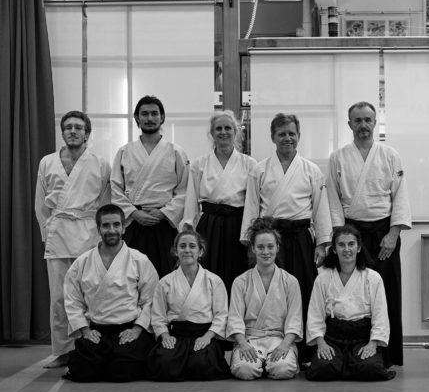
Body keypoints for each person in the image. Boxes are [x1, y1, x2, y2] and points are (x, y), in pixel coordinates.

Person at [241, 114, 331, 362]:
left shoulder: (311, 170)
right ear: (273, 137)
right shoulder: (259, 169)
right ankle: (270, 344)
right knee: (272, 291)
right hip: (270, 239)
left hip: (301, 237)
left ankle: (306, 351)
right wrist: (250, 242)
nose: (287, 138)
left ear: (298, 136)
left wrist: (322, 243)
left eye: (292, 133)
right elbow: (252, 207)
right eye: (282, 134)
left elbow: (320, 209)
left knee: (304, 290)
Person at [327, 101, 412, 367]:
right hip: (351, 233)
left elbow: (400, 196)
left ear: (375, 123)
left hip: (383, 232)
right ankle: (353, 348)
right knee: (354, 292)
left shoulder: (390, 155)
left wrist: (394, 233)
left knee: (387, 291)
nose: (363, 125)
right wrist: (340, 238)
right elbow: (333, 199)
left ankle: (386, 352)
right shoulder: (338, 157)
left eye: (367, 120)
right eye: (358, 120)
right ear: (349, 124)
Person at [34, 110, 111, 368]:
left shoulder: (101, 164)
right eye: (68, 127)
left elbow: (105, 204)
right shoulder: (47, 162)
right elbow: (40, 204)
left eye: (78, 127)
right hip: (58, 233)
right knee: (59, 298)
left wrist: (103, 236)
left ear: (87, 133)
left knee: (90, 295)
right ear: (62, 132)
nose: (73, 131)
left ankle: (90, 348)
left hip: (88, 234)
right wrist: (47, 233)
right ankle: (63, 351)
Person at [63, 204, 158, 382]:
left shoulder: (139, 260)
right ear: (98, 228)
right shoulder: (82, 262)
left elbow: (150, 300)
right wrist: (85, 330)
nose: (112, 230)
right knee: (83, 372)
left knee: (122, 372)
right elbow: (72, 301)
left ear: (124, 227)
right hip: (97, 331)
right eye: (106, 225)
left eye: (116, 224)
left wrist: (137, 330)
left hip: (128, 329)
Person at [111, 95, 189, 277]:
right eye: (144, 114)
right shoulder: (124, 151)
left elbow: (184, 189)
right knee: (132, 274)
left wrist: (164, 212)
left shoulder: (176, 152)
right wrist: (134, 213)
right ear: (137, 118)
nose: (149, 118)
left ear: (162, 117)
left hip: (164, 223)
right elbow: (115, 189)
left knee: (166, 274)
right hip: (134, 223)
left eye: (154, 113)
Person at [305, 225, 395, 381]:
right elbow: (315, 314)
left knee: (370, 368)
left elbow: (380, 314)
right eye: (341, 245)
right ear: (334, 249)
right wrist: (321, 343)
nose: (346, 249)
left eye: (351, 244)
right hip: (333, 336)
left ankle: (345, 365)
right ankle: (345, 364)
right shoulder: (323, 278)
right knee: (322, 369)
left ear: (358, 248)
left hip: (362, 337)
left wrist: (373, 343)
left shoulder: (373, 278)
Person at [183, 111, 254, 292]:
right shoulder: (199, 164)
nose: (223, 132)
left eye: (228, 128)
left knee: (236, 270)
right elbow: (191, 201)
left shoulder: (249, 164)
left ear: (236, 132)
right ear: (212, 133)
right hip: (209, 225)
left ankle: (235, 307)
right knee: (208, 269)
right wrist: (189, 228)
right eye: (218, 129)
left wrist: (249, 234)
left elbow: (252, 204)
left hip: (237, 225)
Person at [148, 230, 231, 381]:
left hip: (204, 334)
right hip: (177, 335)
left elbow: (221, 315)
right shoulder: (165, 282)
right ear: (175, 251)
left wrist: (208, 337)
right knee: (165, 365)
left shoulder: (214, 281)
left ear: (200, 251)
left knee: (202, 365)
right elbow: (158, 316)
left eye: (192, 246)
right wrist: (165, 336)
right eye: (182, 246)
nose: (187, 250)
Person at [227, 217, 303, 380]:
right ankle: (259, 363)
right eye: (260, 247)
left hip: (279, 339)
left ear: (277, 247)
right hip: (249, 339)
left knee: (283, 369)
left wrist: (285, 345)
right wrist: (243, 344)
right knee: (244, 370)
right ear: (253, 249)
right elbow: (235, 318)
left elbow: (295, 319)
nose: (266, 252)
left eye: (270, 246)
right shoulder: (241, 281)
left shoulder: (290, 281)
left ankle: (271, 363)